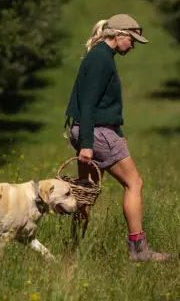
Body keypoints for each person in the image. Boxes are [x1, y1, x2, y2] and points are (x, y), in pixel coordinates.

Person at [65, 14, 170, 261]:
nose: (132, 45)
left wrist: (117, 135)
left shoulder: (100, 56)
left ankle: (74, 251)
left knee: (86, 192)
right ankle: (139, 250)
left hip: (91, 130)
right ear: (119, 35)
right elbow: (89, 105)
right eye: (132, 39)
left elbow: (100, 105)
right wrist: (88, 145)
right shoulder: (101, 59)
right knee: (135, 183)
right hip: (95, 131)